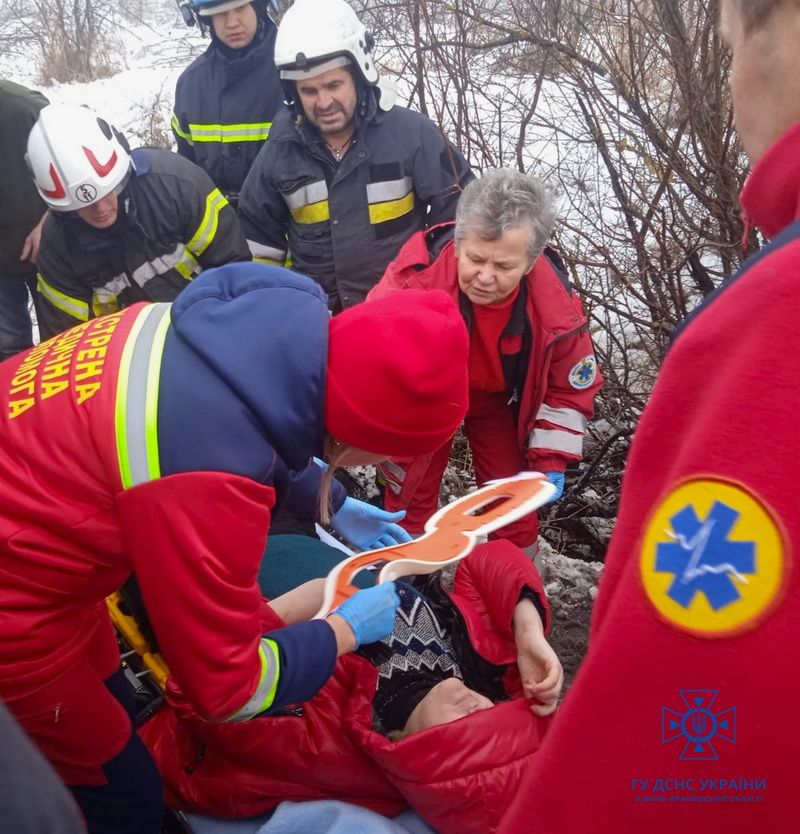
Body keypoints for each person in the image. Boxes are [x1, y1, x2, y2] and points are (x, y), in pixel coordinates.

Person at [0, 261, 469, 834]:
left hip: (41, 549)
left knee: (111, 708)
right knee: (122, 796)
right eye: (391, 453)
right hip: (18, 607)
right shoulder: (207, 481)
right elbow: (226, 690)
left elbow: (228, 423)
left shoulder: (252, 325)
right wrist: (343, 631)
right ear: (366, 435)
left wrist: (331, 499)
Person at [498, 2, 800, 832]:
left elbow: (671, 728)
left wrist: (541, 482)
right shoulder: (429, 287)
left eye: (733, 48)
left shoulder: (769, 324)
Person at [140, 539, 562, 834]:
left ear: (412, 751)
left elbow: (201, 691)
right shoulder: (477, 671)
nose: (478, 707)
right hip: (330, 549)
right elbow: (490, 557)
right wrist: (528, 631)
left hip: (245, 572)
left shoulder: (326, 740)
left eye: (464, 731)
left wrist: (330, 618)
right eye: (494, 714)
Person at [368, 168, 603, 552]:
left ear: (530, 263)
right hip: (427, 398)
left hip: (499, 402)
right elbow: (368, 358)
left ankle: (517, 591)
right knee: (407, 499)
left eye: (504, 267)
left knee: (514, 506)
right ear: (458, 245)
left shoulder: (556, 310)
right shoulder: (412, 282)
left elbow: (567, 389)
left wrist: (551, 459)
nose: (485, 277)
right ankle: (405, 584)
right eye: (476, 259)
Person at [238, 0, 474, 312]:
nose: (323, 102)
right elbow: (258, 243)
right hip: (320, 324)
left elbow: (462, 212)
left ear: (360, 75)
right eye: (308, 91)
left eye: (334, 84)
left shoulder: (411, 135)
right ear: (293, 93)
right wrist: (276, 308)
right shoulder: (280, 151)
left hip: (400, 315)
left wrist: (426, 282)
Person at [26, 102, 250, 340]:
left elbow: (234, 268)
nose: (100, 210)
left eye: (107, 192)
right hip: (124, 356)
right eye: (82, 207)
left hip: (210, 325)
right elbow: (66, 340)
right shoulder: (57, 246)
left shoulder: (176, 186)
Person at [171, 0, 284, 204]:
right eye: (220, 13)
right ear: (207, 19)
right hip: (217, 226)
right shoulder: (191, 84)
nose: (232, 23)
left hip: (284, 225)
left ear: (259, 7)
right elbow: (186, 167)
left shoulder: (292, 71)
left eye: (240, 8)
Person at [0, 79, 48, 361]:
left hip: (47, 251)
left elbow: (73, 169)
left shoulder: (24, 108)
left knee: (62, 340)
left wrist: (49, 221)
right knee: (9, 352)